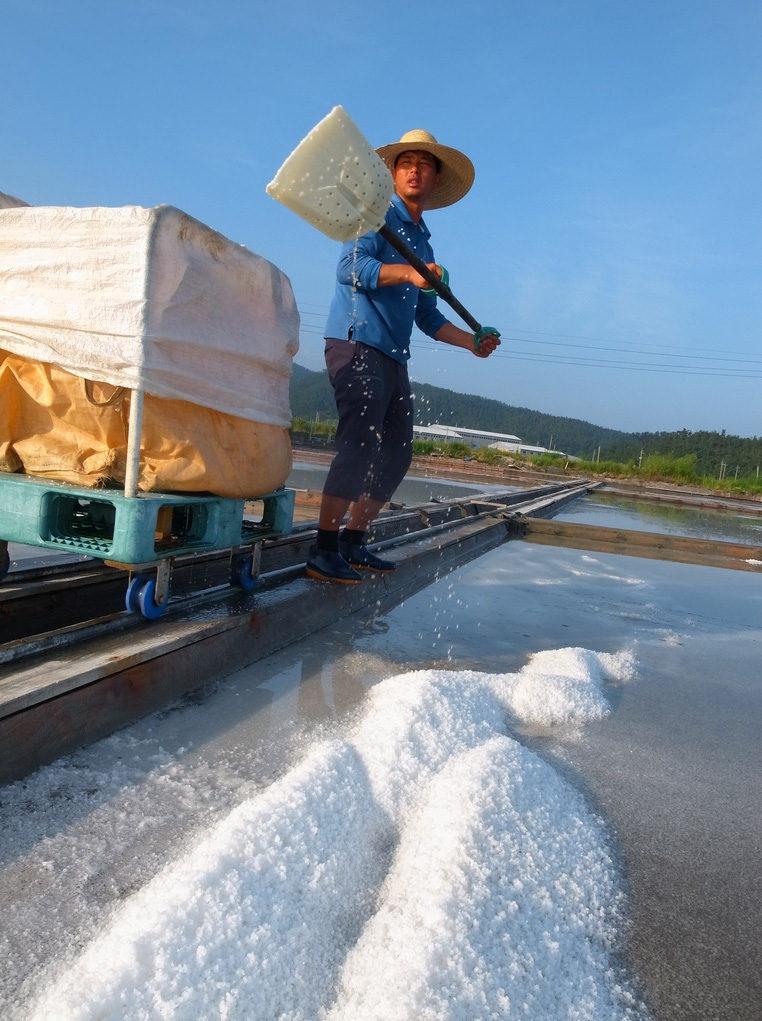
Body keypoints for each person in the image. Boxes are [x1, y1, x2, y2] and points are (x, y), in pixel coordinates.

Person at [305, 129, 501, 583]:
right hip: (356, 342)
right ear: (392, 174)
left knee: (397, 451)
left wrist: (472, 342)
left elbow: (429, 318)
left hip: (393, 354)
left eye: (425, 164)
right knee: (359, 441)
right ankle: (323, 548)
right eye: (406, 162)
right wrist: (410, 275)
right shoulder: (372, 216)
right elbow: (351, 269)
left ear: (434, 179)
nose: (415, 169)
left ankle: (354, 541)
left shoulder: (424, 245)